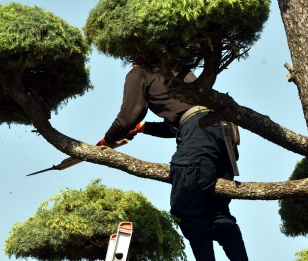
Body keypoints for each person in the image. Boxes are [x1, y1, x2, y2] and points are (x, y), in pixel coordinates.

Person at [99, 64, 248, 261]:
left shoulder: (140, 71)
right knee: (216, 212)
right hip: (222, 130)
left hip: (198, 130)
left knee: (187, 208)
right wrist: (144, 128)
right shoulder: (176, 69)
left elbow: (128, 117)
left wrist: (107, 141)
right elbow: (182, 123)